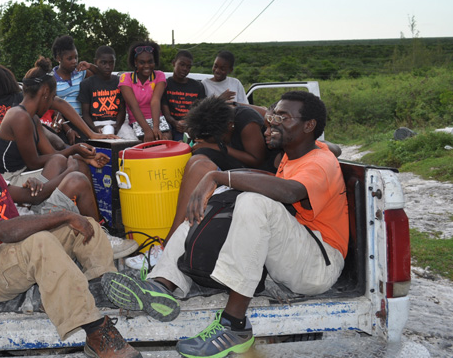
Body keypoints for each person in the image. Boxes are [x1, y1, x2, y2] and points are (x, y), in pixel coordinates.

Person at [102, 91, 349, 357]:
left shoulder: (319, 162)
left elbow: (290, 192)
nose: (274, 122)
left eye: (283, 117)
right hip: (292, 256)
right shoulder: (297, 153)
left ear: (309, 125)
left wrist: (221, 176)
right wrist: (216, 182)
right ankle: (162, 284)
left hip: (319, 265)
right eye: (274, 115)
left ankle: (235, 325)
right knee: (218, 198)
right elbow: (329, 148)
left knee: (253, 202)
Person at [0, 114, 141, 358]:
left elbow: (28, 204)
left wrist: (67, 216)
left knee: (85, 226)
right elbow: (9, 231)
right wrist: (64, 215)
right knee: (42, 239)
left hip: (12, 256)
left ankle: (103, 285)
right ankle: (96, 333)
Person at [163, 96, 267, 243]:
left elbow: (257, 160)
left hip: (258, 169)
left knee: (201, 166)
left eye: (218, 138)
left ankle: (171, 240)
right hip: (235, 160)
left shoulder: (246, 121)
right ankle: (174, 234)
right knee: (197, 159)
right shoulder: (209, 119)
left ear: (230, 126)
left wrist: (215, 146)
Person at [0, 57, 108, 182]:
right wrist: (75, 149)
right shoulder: (20, 117)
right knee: (74, 174)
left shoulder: (33, 118)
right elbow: (34, 162)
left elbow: (52, 153)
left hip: (22, 173)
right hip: (7, 179)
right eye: (52, 97)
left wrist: (85, 157)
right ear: (46, 92)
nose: (51, 104)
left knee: (78, 166)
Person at [49, 35, 98, 143]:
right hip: (62, 123)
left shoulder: (80, 73)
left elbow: (101, 77)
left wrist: (90, 66)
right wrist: (68, 129)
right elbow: (52, 106)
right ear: (58, 58)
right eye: (69, 58)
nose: (74, 61)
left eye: (76, 57)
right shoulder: (51, 79)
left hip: (82, 121)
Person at [118, 41, 171, 141]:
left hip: (158, 120)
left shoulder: (159, 75)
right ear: (135, 63)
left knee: (165, 141)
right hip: (137, 122)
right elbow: (134, 106)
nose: (147, 66)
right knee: (148, 144)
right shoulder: (126, 78)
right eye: (142, 62)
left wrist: (155, 127)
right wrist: (147, 130)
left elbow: (155, 101)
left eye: (150, 62)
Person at [78, 46, 126, 135]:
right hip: (96, 124)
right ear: (96, 62)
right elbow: (85, 114)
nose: (108, 66)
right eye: (103, 63)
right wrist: (95, 129)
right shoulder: (87, 84)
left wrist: (117, 127)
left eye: (111, 63)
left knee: (131, 140)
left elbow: (122, 110)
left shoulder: (120, 82)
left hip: (117, 123)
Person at [161, 50, 206, 141]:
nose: (185, 69)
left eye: (188, 67)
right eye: (182, 64)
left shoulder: (198, 86)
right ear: (174, 63)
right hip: (171, 125)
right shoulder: (165, 84)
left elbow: (200, 110)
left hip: (191, 126)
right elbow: (165, 112)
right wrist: (175, 123)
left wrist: (189, 124)